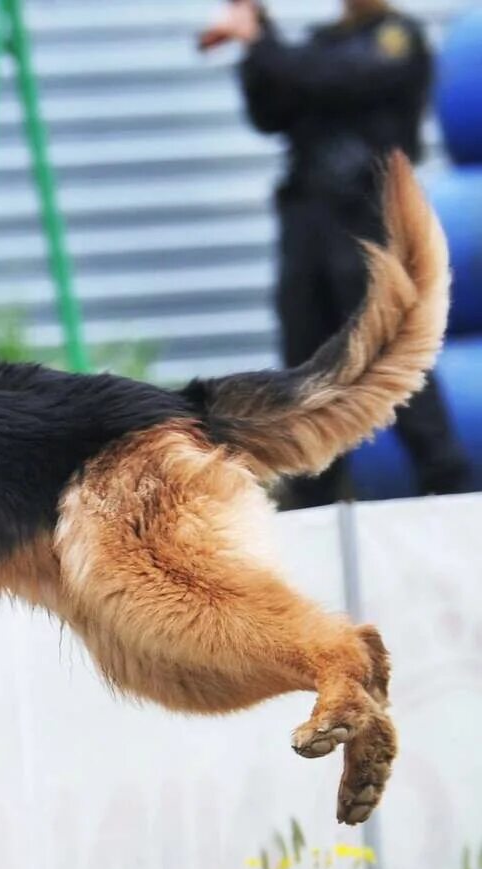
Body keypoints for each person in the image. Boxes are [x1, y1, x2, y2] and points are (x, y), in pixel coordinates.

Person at [203, 0, 473, 506]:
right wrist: (254, 38)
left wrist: (262, 38)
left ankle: (452, 497)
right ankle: (312, 508)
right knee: (306, 370)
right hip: (308, 224)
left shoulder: (396, 37)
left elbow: (329, 79)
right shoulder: (320, 43)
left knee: (395, 358)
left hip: (370, 220)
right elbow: (272, 109)